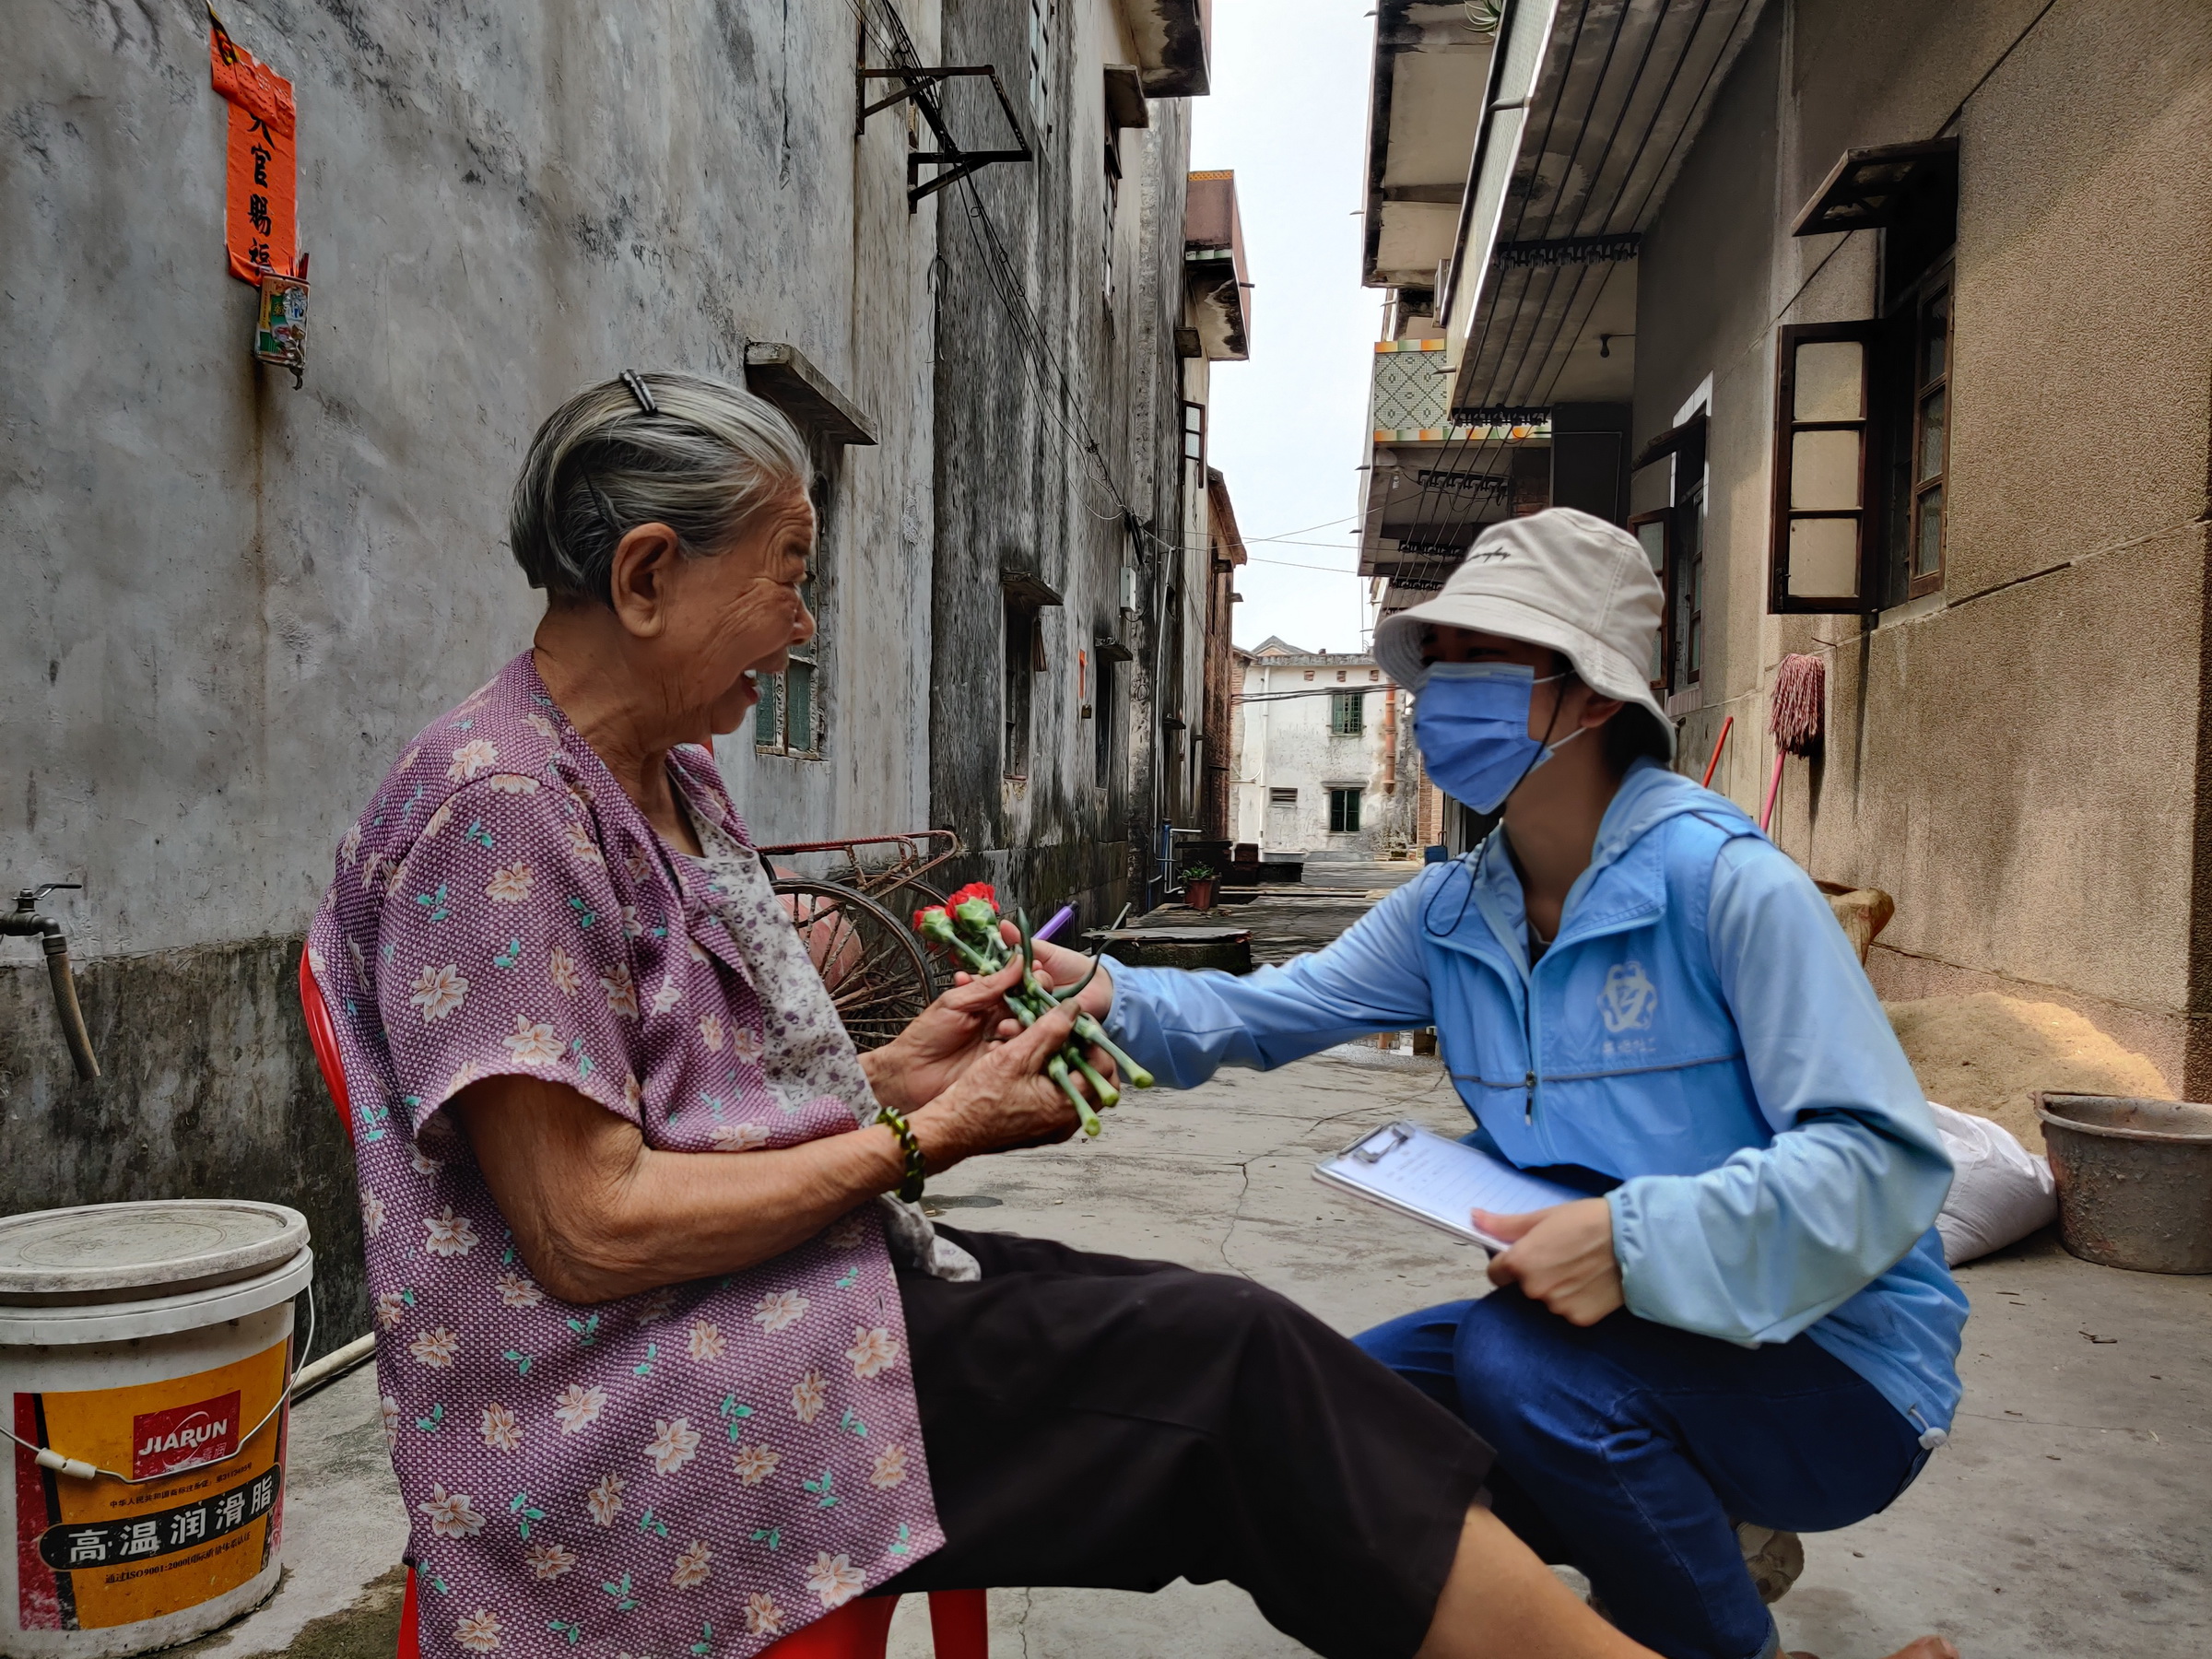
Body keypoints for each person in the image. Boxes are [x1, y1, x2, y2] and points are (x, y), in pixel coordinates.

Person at [307, 375, 1674, 1659]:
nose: (804, 621)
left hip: (752, 1301)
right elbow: (587, 1230)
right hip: (623, 1403)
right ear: (649, 575)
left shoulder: (668, 782)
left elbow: (705, 1102)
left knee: (1220, 1323)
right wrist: (919, 1142)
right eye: (787, 570)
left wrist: (898, 1076)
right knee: (1225, 1378)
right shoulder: (500, 812)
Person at [1027, 509, 1967, 1659]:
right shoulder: (1456, 908)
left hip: (1840, 1368)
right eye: (1440, 661)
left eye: (1485, 658)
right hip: (1642, 1337)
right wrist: (1101, 993)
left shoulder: (1727, 889)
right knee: (1335, 1420)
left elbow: (1881, 1162)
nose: (1441, 692)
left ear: (1593, 697)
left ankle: (1718, 1612)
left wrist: (1629, 1237)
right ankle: (1684, 1553)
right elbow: (1271, 1009)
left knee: (1516, 1364)